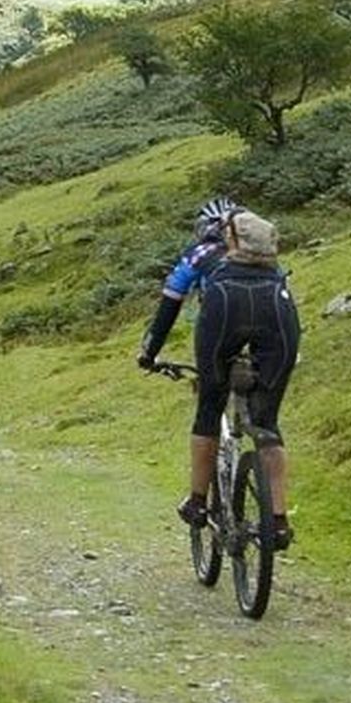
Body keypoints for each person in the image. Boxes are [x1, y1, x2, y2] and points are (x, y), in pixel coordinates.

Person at [137, 197, 301, 549]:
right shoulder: (270, 263)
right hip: (278, 310)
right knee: (268, 425)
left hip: (224, 309)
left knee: (210, 409)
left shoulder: (197, 255)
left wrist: (148, 354)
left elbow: (169, 306)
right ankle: (279, 521)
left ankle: (198, 502)